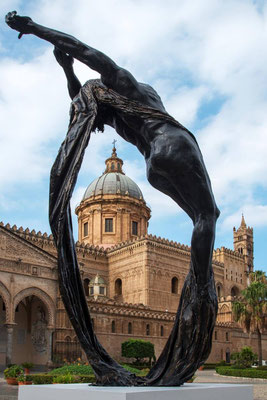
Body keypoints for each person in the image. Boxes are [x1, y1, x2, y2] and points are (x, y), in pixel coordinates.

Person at [6, 11, 220, 386]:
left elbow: (82, 62)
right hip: (172, 143)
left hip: (155, 161)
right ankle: (201, 290)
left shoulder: (117, 96)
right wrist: (56, 54)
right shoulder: (139, 95)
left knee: (205, 217)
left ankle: (198, 287)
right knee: (207, 216)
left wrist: (45, 40)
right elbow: (82, 85)